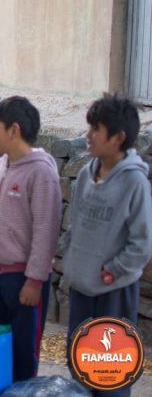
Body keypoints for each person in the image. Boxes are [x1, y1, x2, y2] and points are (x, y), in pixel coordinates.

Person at [63, 94, 152, 397]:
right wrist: (71, 261)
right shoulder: (87, 175)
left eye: (96, 130)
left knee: (110, 374)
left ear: (118, 138)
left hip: (113, 291)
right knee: (80, 367)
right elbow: (76, 226)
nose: (88, 136)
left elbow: (142, 243)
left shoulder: (135, 182)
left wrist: (113, 271)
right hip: (81, 289)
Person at [0, 96, 62, 382]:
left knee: (23, 355)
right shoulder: (0, 166)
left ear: (13, 130)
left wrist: (35, 280)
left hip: (23, 280)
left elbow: (46, 229)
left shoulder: (41, 172)